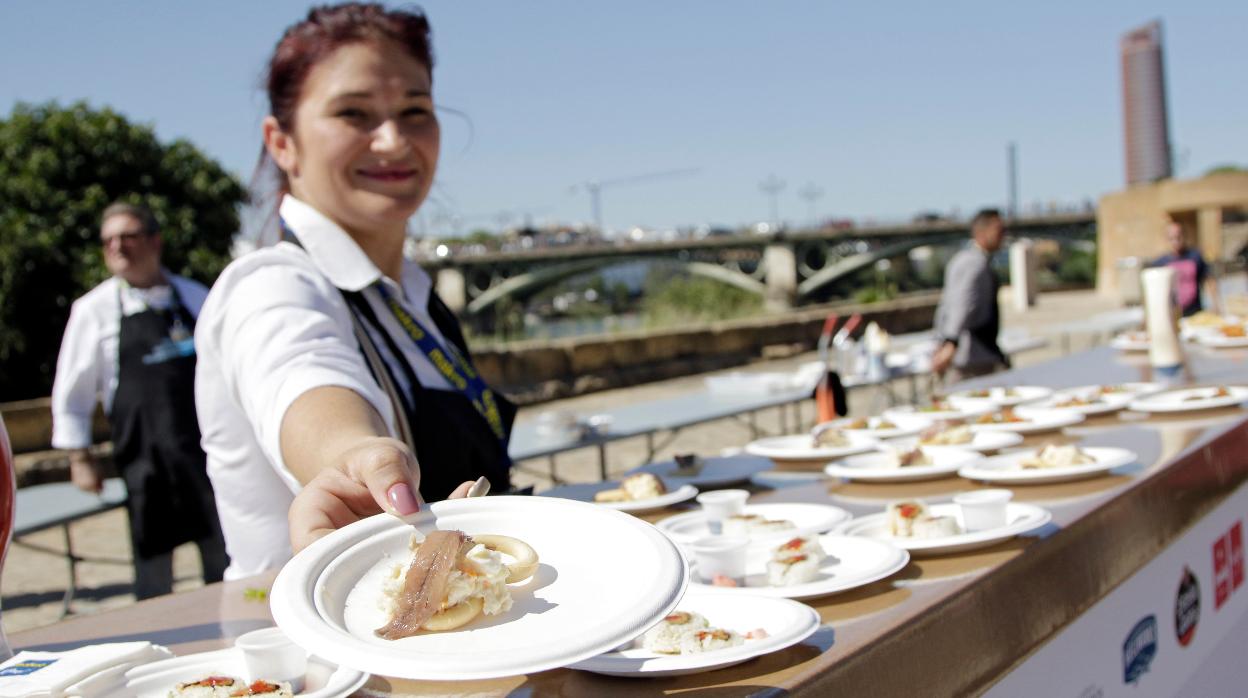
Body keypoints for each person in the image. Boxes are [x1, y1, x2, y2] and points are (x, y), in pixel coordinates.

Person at [195, 3, 513, 579]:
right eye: (353, 113)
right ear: (281, 142)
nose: (393, 141)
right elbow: (303, 376)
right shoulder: (271, 283)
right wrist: (354, 459)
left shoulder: (412, 294)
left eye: (415, 111)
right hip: (317, 657)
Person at [51, 202, 228, 599]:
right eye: (108, 240)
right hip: (145, 461)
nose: (117, 246)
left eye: (127, 236)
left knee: (222, 558)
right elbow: (72, 391)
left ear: (154, 241)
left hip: (207, 454)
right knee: (153, 569)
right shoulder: (93, 311)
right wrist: (79, 459)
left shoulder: (196, 297)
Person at [931, 208, 1011, 383]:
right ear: (981, 232)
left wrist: (941, 341)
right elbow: (963, 304)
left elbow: (946, 305)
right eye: (999, 230)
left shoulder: (962, 259)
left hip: (969, 354)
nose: (1003, 235)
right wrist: (950, 343)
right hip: (972, 357)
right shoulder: (975, 264)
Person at [1150, 218, 1220, 317]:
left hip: (1195, 312)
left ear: (1184, 236)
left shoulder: (1195, 256)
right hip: (1172, 314)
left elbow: (1209, 279)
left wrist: (1215, 304)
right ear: (1166, 239)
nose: (1176, 241)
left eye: (1178, 237)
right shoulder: (1161, 263)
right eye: (1172, 238)